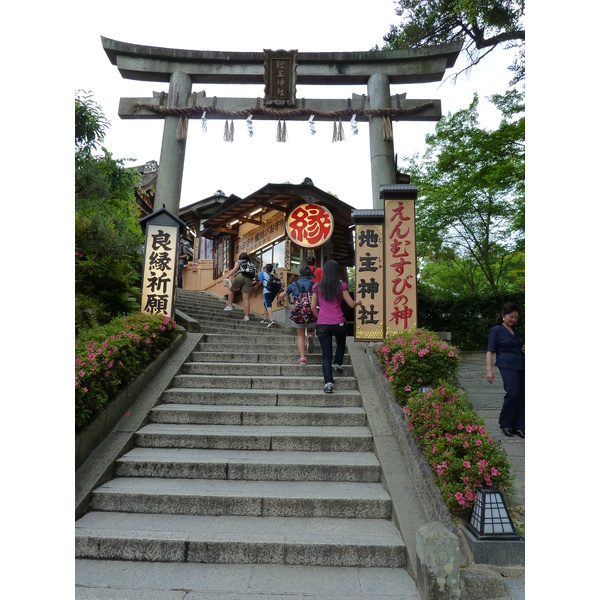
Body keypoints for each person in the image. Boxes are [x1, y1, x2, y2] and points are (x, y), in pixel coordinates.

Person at [310, 260, 362, 393]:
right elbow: (351, 304)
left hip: (323, 324)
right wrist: (358, 302)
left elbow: (312, 307)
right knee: (340, 345)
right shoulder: (341, 286)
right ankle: (337, 364)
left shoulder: (317, 287)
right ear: (336, 271)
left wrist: (319, 317)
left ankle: (328, 383)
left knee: (326, 356)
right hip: (339, 322)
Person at [486, 302, 525, 439]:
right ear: (503, 316)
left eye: (516, 317)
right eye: (511, 316)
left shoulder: (516, 332)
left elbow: (519, 348)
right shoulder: (496, 330)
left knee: (522, 395)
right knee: (513, 393)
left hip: (521, 364)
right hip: (506, 365)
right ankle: (506, 423)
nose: (513, 319)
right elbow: (490, 351)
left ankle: (520, 426)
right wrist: (489, 370)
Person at [277, 266, 317, 364]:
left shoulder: (294, 284)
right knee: (311, 329)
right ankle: (311, 335)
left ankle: (303, 358)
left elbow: (282, 295)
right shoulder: (315, 284)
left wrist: (278, 299)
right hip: (312, 312)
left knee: (300, 335)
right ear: (310, 275)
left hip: (298, 314)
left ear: (300, 275)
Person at [223, 253, 256, 321]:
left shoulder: (239, 261)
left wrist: (227, 276)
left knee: (231, 290)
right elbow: (256, 274)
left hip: (240, 276)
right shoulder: (252, 264)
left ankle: (230, 306)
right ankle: (246, 316)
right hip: (249, 279)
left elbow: (236, 268)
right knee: (246, 299)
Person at [255, 263, 277, 328]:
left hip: (267, 291)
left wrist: (256, 286)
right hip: (273, 292)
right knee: (266, 304)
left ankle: (271, 320)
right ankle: (265, 318)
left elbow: (260, 282)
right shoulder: (273, 275)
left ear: (266, 268)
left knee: (268, 304)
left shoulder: (263, 273)